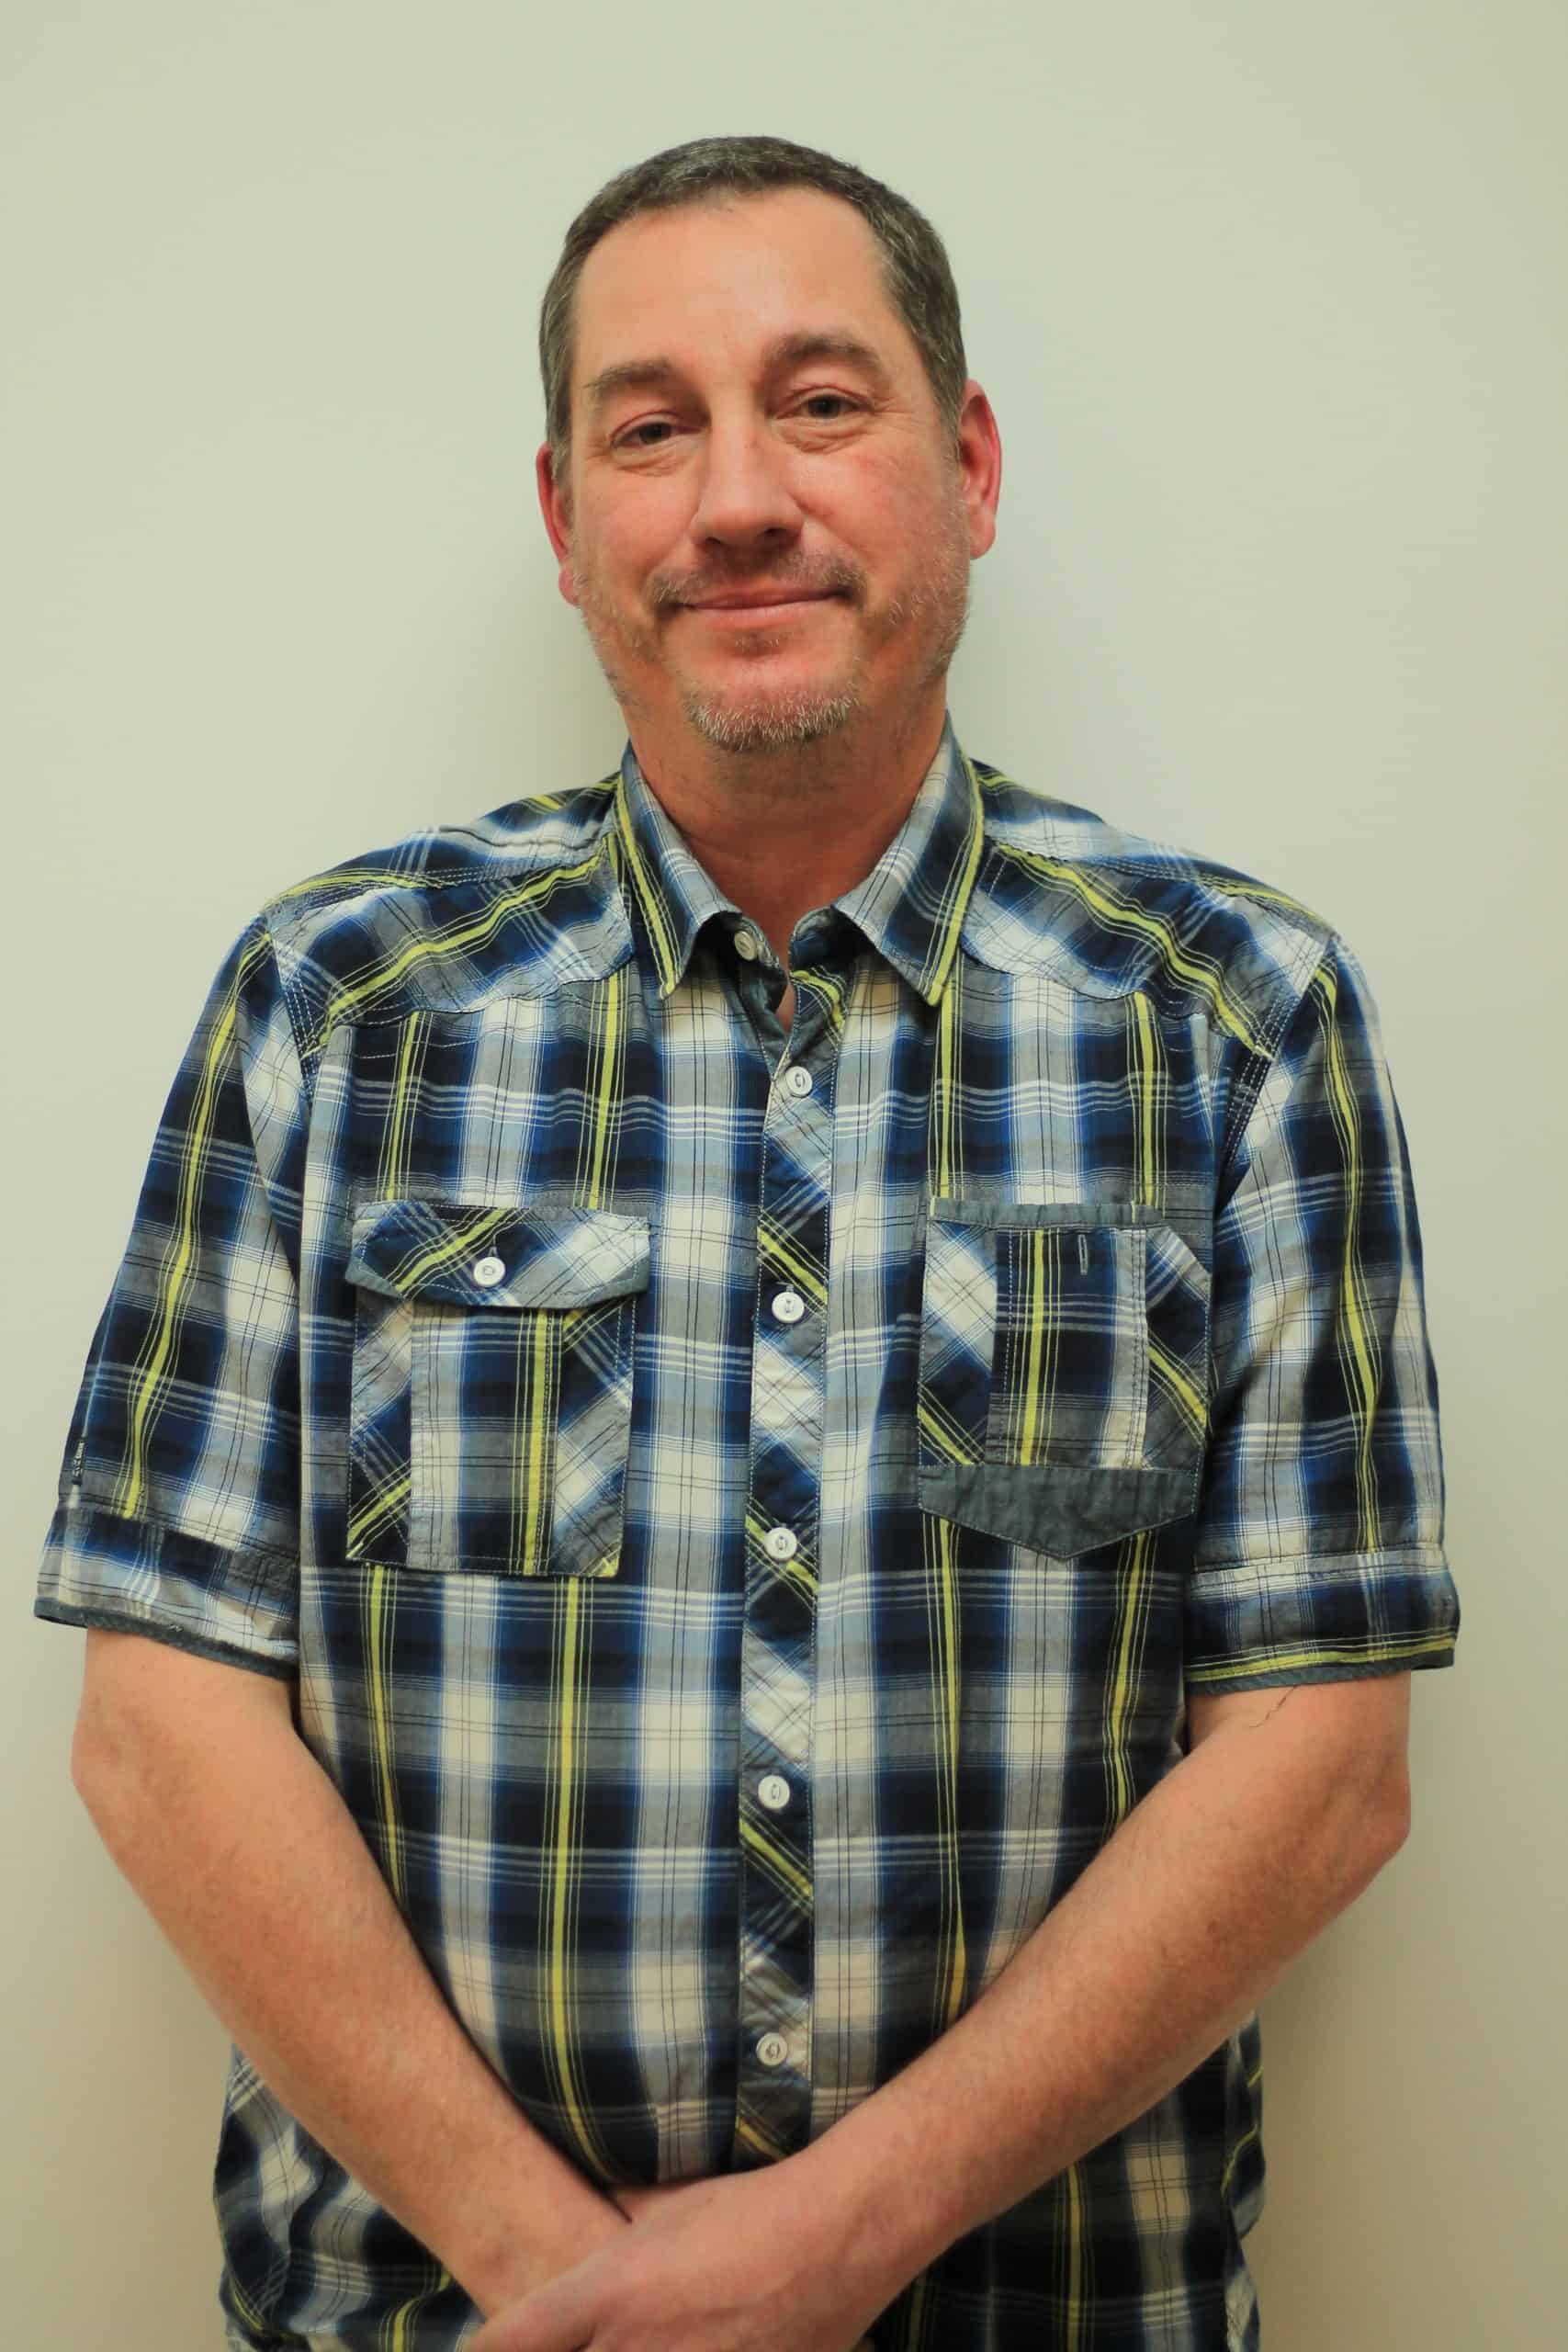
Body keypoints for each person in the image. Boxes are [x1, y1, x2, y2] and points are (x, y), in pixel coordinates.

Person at [37, 131, 1461, 2352]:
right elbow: (162, 1721)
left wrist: (823, 2248)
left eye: (817, 402)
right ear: (563, 518)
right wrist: (580, 2288)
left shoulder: (1235, 1018)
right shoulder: (333, 1004)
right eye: (649, 427)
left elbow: (1315, 1763)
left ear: (965, 466)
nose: (734, 499)